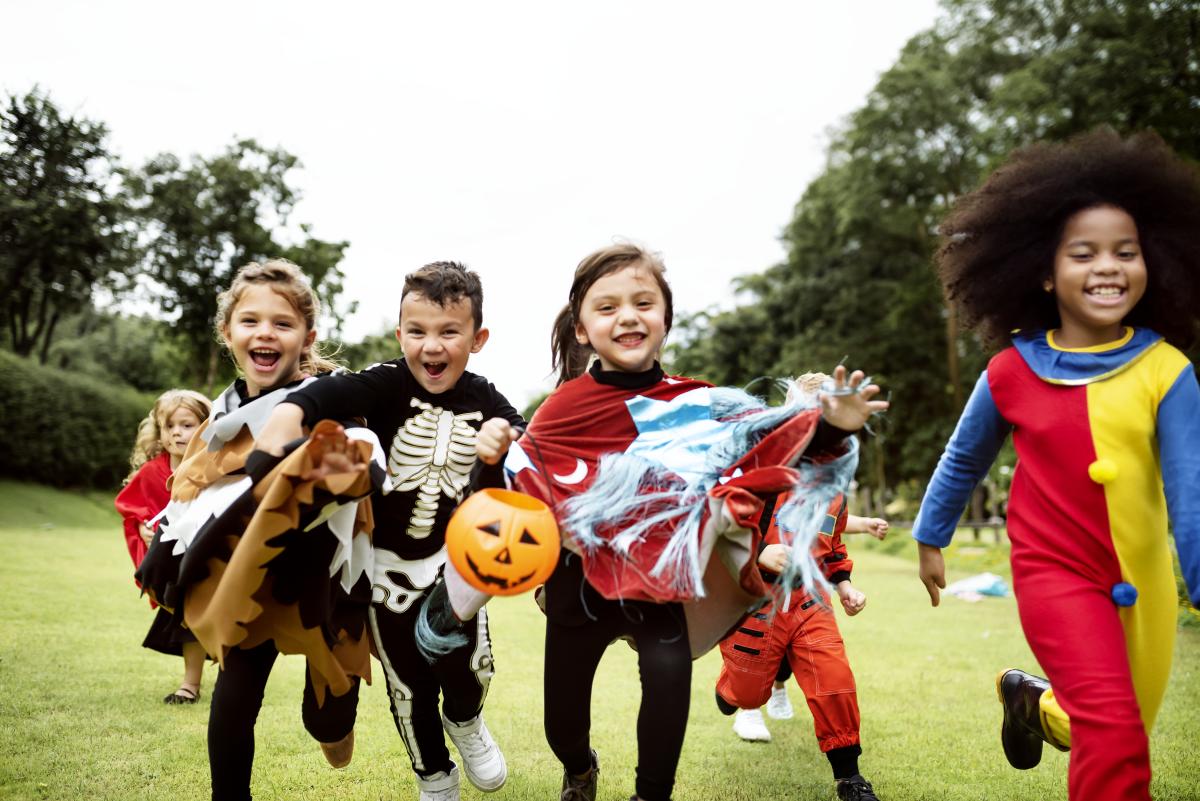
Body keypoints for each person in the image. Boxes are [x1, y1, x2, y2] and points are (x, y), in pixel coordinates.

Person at [499, 243, 887, 801]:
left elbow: (772, 446)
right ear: (582, 328)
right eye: (607, 307)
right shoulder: (560, 409)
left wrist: (832, 427)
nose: (628, 316)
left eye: (643, 303)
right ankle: (580, 768)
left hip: (661, 584)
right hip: (577, 589)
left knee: (668, 680)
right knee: (562, 724)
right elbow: (521, 486)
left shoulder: (701, 404)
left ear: (665, 318)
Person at [911, 130, 1200, 801]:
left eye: (1125, 251)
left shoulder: (1169, 371)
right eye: (1084, 253)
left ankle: (1030, 703)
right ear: (1045, 271)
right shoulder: (1010, 370)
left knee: (1116, 724)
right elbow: (964, 458)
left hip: (1144, 578)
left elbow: (1190, 490)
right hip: (1054, 572)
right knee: (1115, 733)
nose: (1108, 266)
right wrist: (930, 535)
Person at [255, 261, 523, 801]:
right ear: (400, 335)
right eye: (417, 331)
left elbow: (518, 432)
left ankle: (466, 720)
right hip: (386, 573)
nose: (432, 346)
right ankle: (434, 776)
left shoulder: (484, 396)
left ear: (477, 339)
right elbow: (328, 394)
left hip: (454, 567)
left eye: (449, 332)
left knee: (471, 668)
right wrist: (290, 412)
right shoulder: (384, 385)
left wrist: (503, 436)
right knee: (409, 687)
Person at [136, 259, 379, 801]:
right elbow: (193, 491)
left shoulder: (329, 401)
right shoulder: (217, 422)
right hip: (251, 582)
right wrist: (167, 537)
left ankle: (334, 725)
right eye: (250, 321)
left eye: (282, 323)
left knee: (329, 724)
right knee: (233, 698)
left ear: (307, 337)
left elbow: (362, 461)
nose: (265, 332)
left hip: (325, 584)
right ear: (228, 333)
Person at [716, 487, 885, 801]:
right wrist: (760, 551)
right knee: (748, 694)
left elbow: (833, 548)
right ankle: (731, 689)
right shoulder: (763, 477)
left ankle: (849, 777)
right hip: (757, 597)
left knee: (834, 679)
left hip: (810, 598)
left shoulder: (836, 493)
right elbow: (719, 525)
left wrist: (845, 587)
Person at [116, 388, 212, 703]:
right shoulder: (151, 472)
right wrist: (142, 528)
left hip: (209, 560)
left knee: (208, 616)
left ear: (205, 427)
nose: (177, 433)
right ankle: (191, 684)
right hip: (173, 565)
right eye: (169, 426)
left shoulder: (215, 468)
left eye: (186, 425)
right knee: (186, 615)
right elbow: (132, 508)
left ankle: (203, 681)